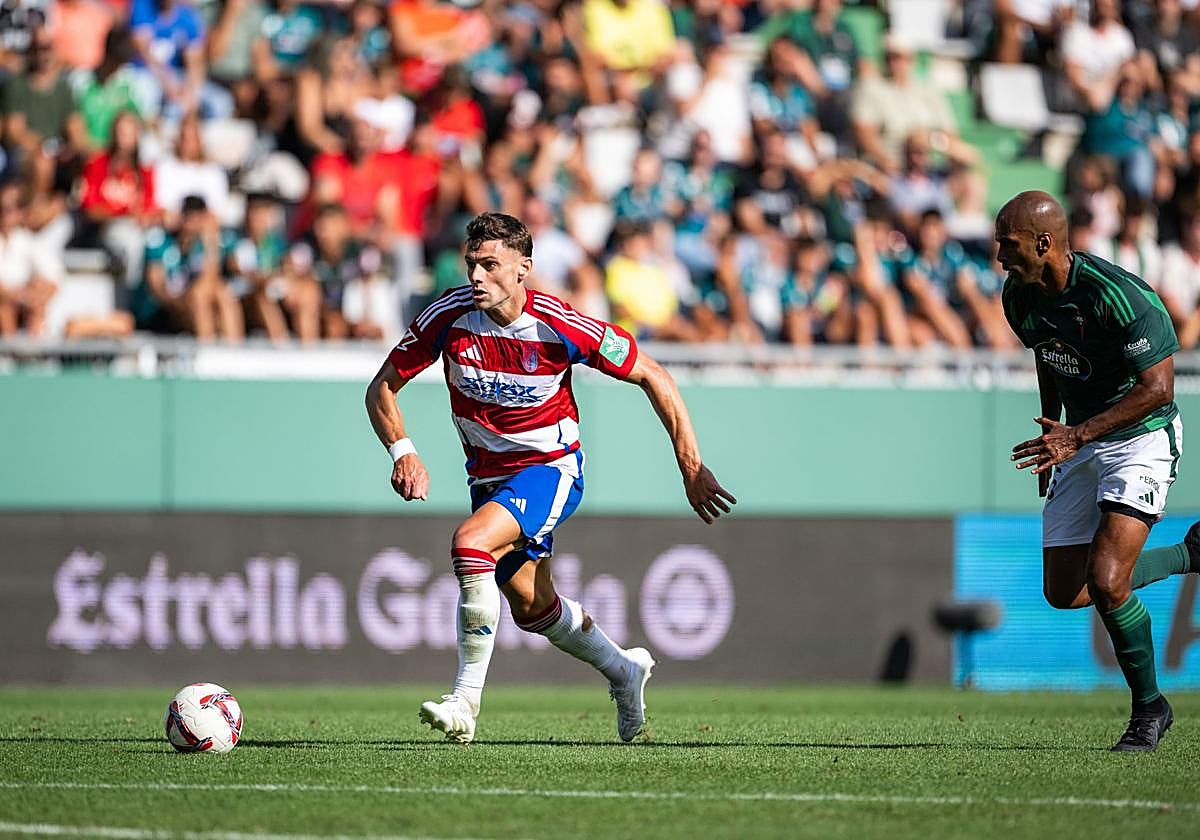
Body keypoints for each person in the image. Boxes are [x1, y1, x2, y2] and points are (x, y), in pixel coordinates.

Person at [364, 212, 735, 744]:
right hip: (488, 479)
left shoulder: (561, 325)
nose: (476, 276)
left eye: (490, 265)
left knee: (470, 543)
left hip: (551, 469)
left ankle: (465, 701)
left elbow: (653, 374)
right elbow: (382, 387)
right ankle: (625, 672)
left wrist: (691, 466)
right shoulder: (446, 316)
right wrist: (402, 451)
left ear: (523, 270)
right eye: (472, 263)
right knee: (533, 607)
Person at [998, 190, 1199, 752]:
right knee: (1065, 593)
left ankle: (1149, 710)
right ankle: (1189, 555)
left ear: (1044, 243)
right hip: (1077, 442)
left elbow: (1157, 389)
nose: (999, 257)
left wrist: (1076, 435)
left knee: (1108, 581)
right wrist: (1051, 432)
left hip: (1140, 439)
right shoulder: (1018, 296)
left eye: (1008, 244)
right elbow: (1048, 354)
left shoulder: (1121, 296)